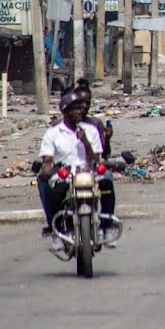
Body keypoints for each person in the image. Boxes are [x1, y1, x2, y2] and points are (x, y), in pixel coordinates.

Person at [37, 91, 113, 251]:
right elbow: (47, 161)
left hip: (88, 172)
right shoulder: (53, 133)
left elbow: (96, 158)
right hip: (64, 174)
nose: (79, 111)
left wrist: (85, 141)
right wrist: (47, 170)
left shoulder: (91, 130)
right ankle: (58, 230)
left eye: (80, 108)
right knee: (55, 192)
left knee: (107, 180)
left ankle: (107, 226)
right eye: (74, 109)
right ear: (65, 112)